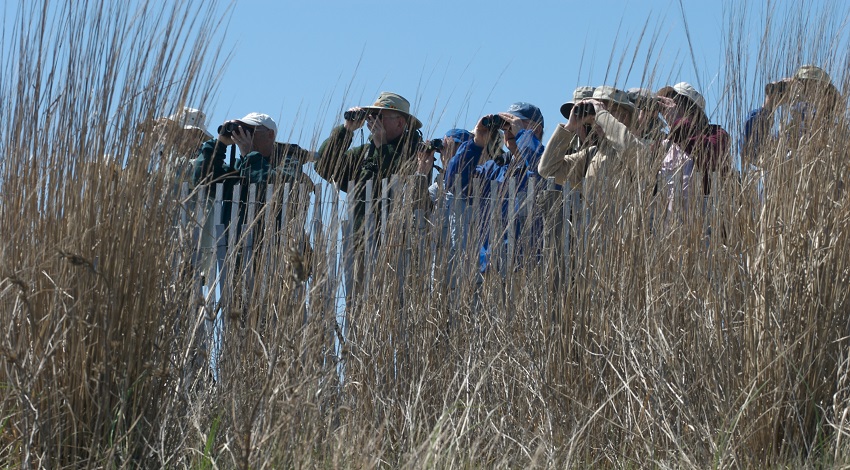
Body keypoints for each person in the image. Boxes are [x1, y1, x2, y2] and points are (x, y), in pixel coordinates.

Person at [314, 91, 423, 302]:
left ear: (400, 124)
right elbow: (324, 166)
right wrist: (346, 131)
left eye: (380, 116)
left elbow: (394, 180)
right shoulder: (364, 153)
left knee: (398, 309)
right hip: (360, 246)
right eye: (370, 116)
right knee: (359, 308)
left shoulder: (415, 154)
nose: (372, 121)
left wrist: (382, 146)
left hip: (399, 247)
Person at [655, 82, 730, 219]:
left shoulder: (717, 134)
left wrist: (679, 123)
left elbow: (708, 156)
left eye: (674, 102)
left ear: (692, 109)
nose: (668, 109)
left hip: (704, 224)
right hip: (669, 227)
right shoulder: (664, 143)